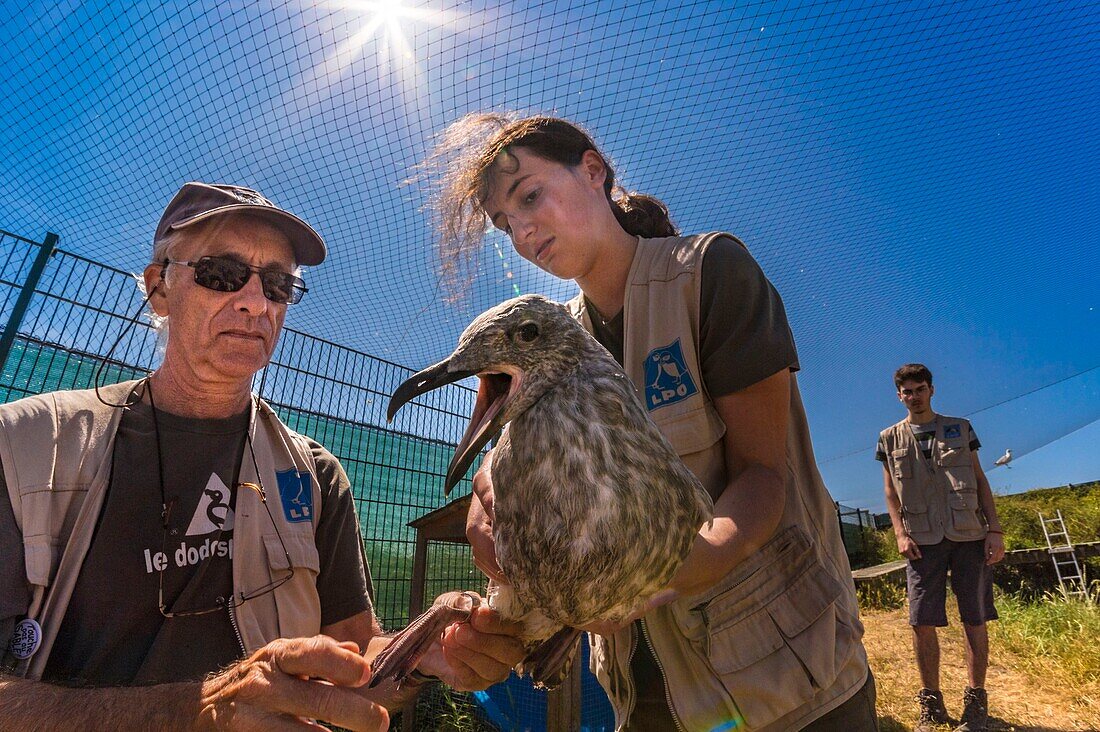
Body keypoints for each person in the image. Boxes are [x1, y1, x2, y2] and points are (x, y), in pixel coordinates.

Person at [0, 182, 524, 730]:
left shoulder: (315, 476)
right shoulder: (28, 448)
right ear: (158, 288)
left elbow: (355, 658)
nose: (254, 302)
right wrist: (199, 709)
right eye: (221, 274)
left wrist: (424, 656)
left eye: (277, 284)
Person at [423, 114, 876, 731]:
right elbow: (516, 476)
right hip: (643, 697)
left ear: (592, 170)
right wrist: (493, 507)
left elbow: (766, 476)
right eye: (506, 225)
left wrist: (665, 574)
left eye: (529, 196)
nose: (523, 232)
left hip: (786, 684)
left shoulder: (708, 274)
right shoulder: (544, 337)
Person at [877, 363, 1004, 732]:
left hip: (968, 534)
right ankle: (931, 703)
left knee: (974, 617)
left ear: (932, 389)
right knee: (921, 620)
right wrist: (900, 533)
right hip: (921, 540)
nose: (914, 396)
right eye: (907, 391)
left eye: (919, 389)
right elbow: (889, 490)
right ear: (899, 396)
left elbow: (979, 479)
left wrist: (994, 530)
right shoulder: (889, 438)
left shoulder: (960, 428)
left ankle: (976, 701)